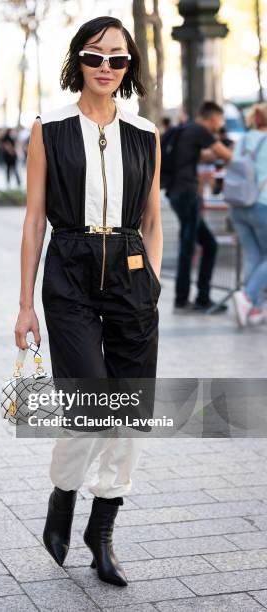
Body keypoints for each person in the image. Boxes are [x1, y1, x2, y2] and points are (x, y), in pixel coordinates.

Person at [14, 16, 162, 587]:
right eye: (95, 56)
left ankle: (102, 533)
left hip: (129, 272)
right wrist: (24, 305)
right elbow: (33, 220)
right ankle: (63, 495)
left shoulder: (144, 131)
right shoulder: (48, 127)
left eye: (117, 59)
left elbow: (152, 217)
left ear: (129, 68)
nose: (106, 67)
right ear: (77, 59)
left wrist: (151, 278)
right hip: (70, 269)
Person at [167, 101, 233, 313]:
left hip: (176, 193)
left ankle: (198, 297)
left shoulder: (185, 129)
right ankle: (184, 299)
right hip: (187, 193)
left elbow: (203, 156)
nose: (219, 126)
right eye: (219, 121)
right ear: (213, 118)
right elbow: (226, 155)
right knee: (188, 246)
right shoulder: (200, 130)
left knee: (207, 244)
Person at [230, 103, 267, 327]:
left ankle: (252, 308)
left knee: (254, 256)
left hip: (238, 205)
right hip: (262, 204)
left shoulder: (242, 140)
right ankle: (247, 296)